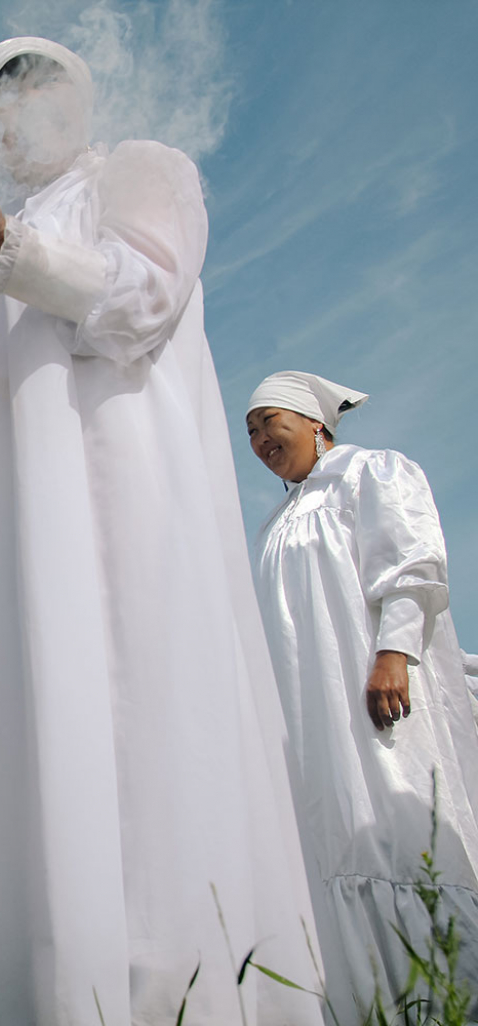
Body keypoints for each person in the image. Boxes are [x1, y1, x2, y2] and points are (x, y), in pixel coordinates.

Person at [0, 37, 323, 1026]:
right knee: (43, 740)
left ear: (80, 99)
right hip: (28, 557)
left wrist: (1, 244)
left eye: (35, 88)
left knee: (144, 727)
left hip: (127, 515)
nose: (15, 112)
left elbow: (142, 295)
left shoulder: (139, 172)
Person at [246, 370, 478, 1022]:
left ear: (315, 423)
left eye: (271, 420)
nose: (260, 436)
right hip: (309, 717)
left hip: (376, 696)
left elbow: (412, 563)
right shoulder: (273, 524)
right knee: (330, 841)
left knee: (395, 835)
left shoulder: (371, 473)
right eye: (251, 429)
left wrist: (393, 655)